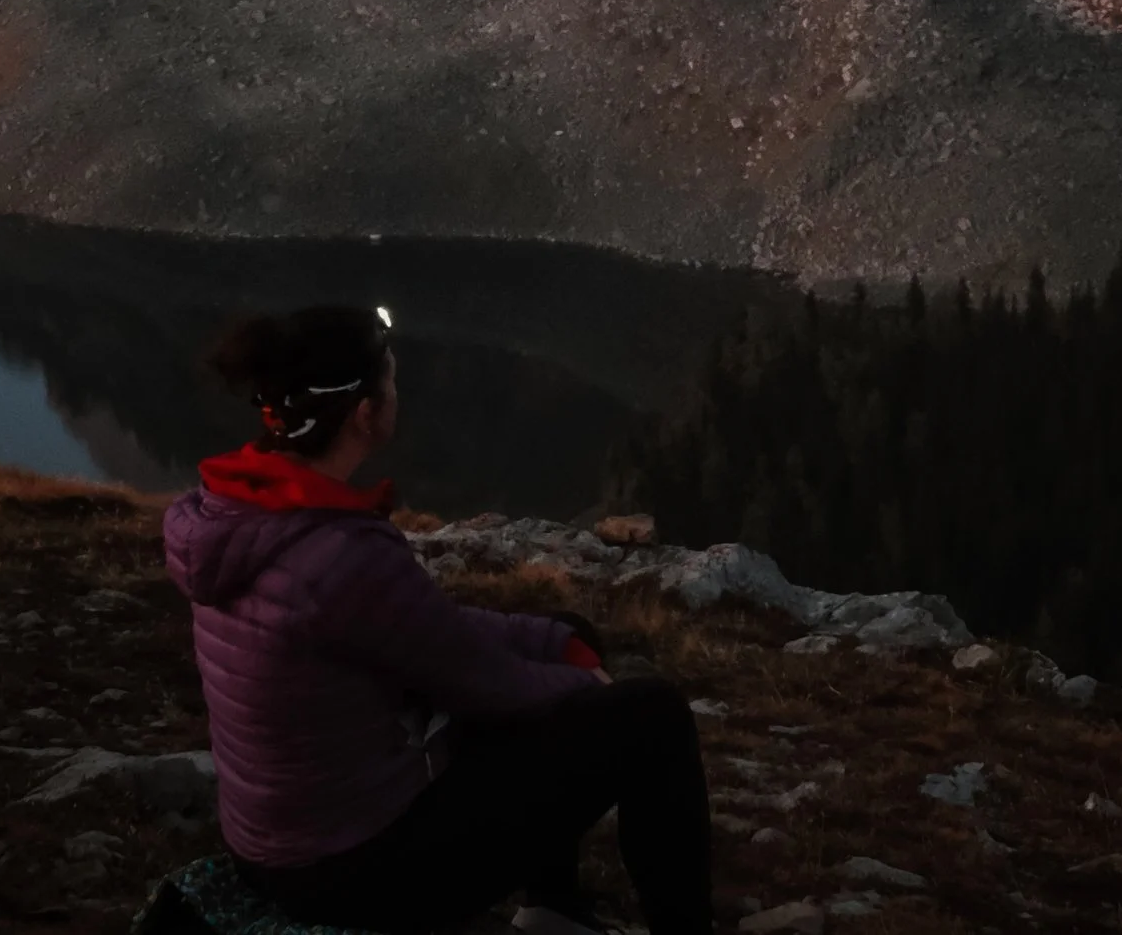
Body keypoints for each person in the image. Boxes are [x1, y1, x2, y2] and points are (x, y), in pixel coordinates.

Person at [164, 304, 712, 935]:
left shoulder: (232, 510)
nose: (399, 393)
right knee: (655, 719)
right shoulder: (339, 557)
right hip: (351, 874)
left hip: (279, 845)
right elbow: (487, 684)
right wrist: (587, 684)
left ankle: (553, 912)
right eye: (391, 382)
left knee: (560, 638)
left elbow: (430, 632)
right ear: (366, 414)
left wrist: (559, 643)